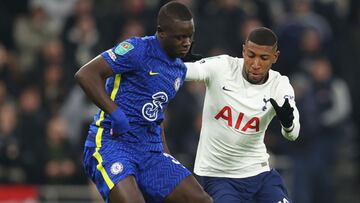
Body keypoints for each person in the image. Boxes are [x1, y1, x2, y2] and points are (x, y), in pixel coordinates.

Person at [74, 2, 212, 203]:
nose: (186, 43)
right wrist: (115, 113)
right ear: (161, 32)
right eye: (180, 37)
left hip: (150, 150)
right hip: (112, 143)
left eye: (190, 36)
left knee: (201, 200)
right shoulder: (137, 49)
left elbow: (157, 115)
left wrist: (166, 157)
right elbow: (86, 74)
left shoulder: (179, 70)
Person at [185, 27, 300, 203]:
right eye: (251, 55)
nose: (255, 64)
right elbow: (185, 72)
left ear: (275, 57)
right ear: (244, 51)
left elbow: (293, 134)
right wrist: (178, 63)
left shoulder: (279, 85)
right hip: (218, 176)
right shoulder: (223, 67)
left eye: (264, 58)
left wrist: (288, 123)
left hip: (260, 174)